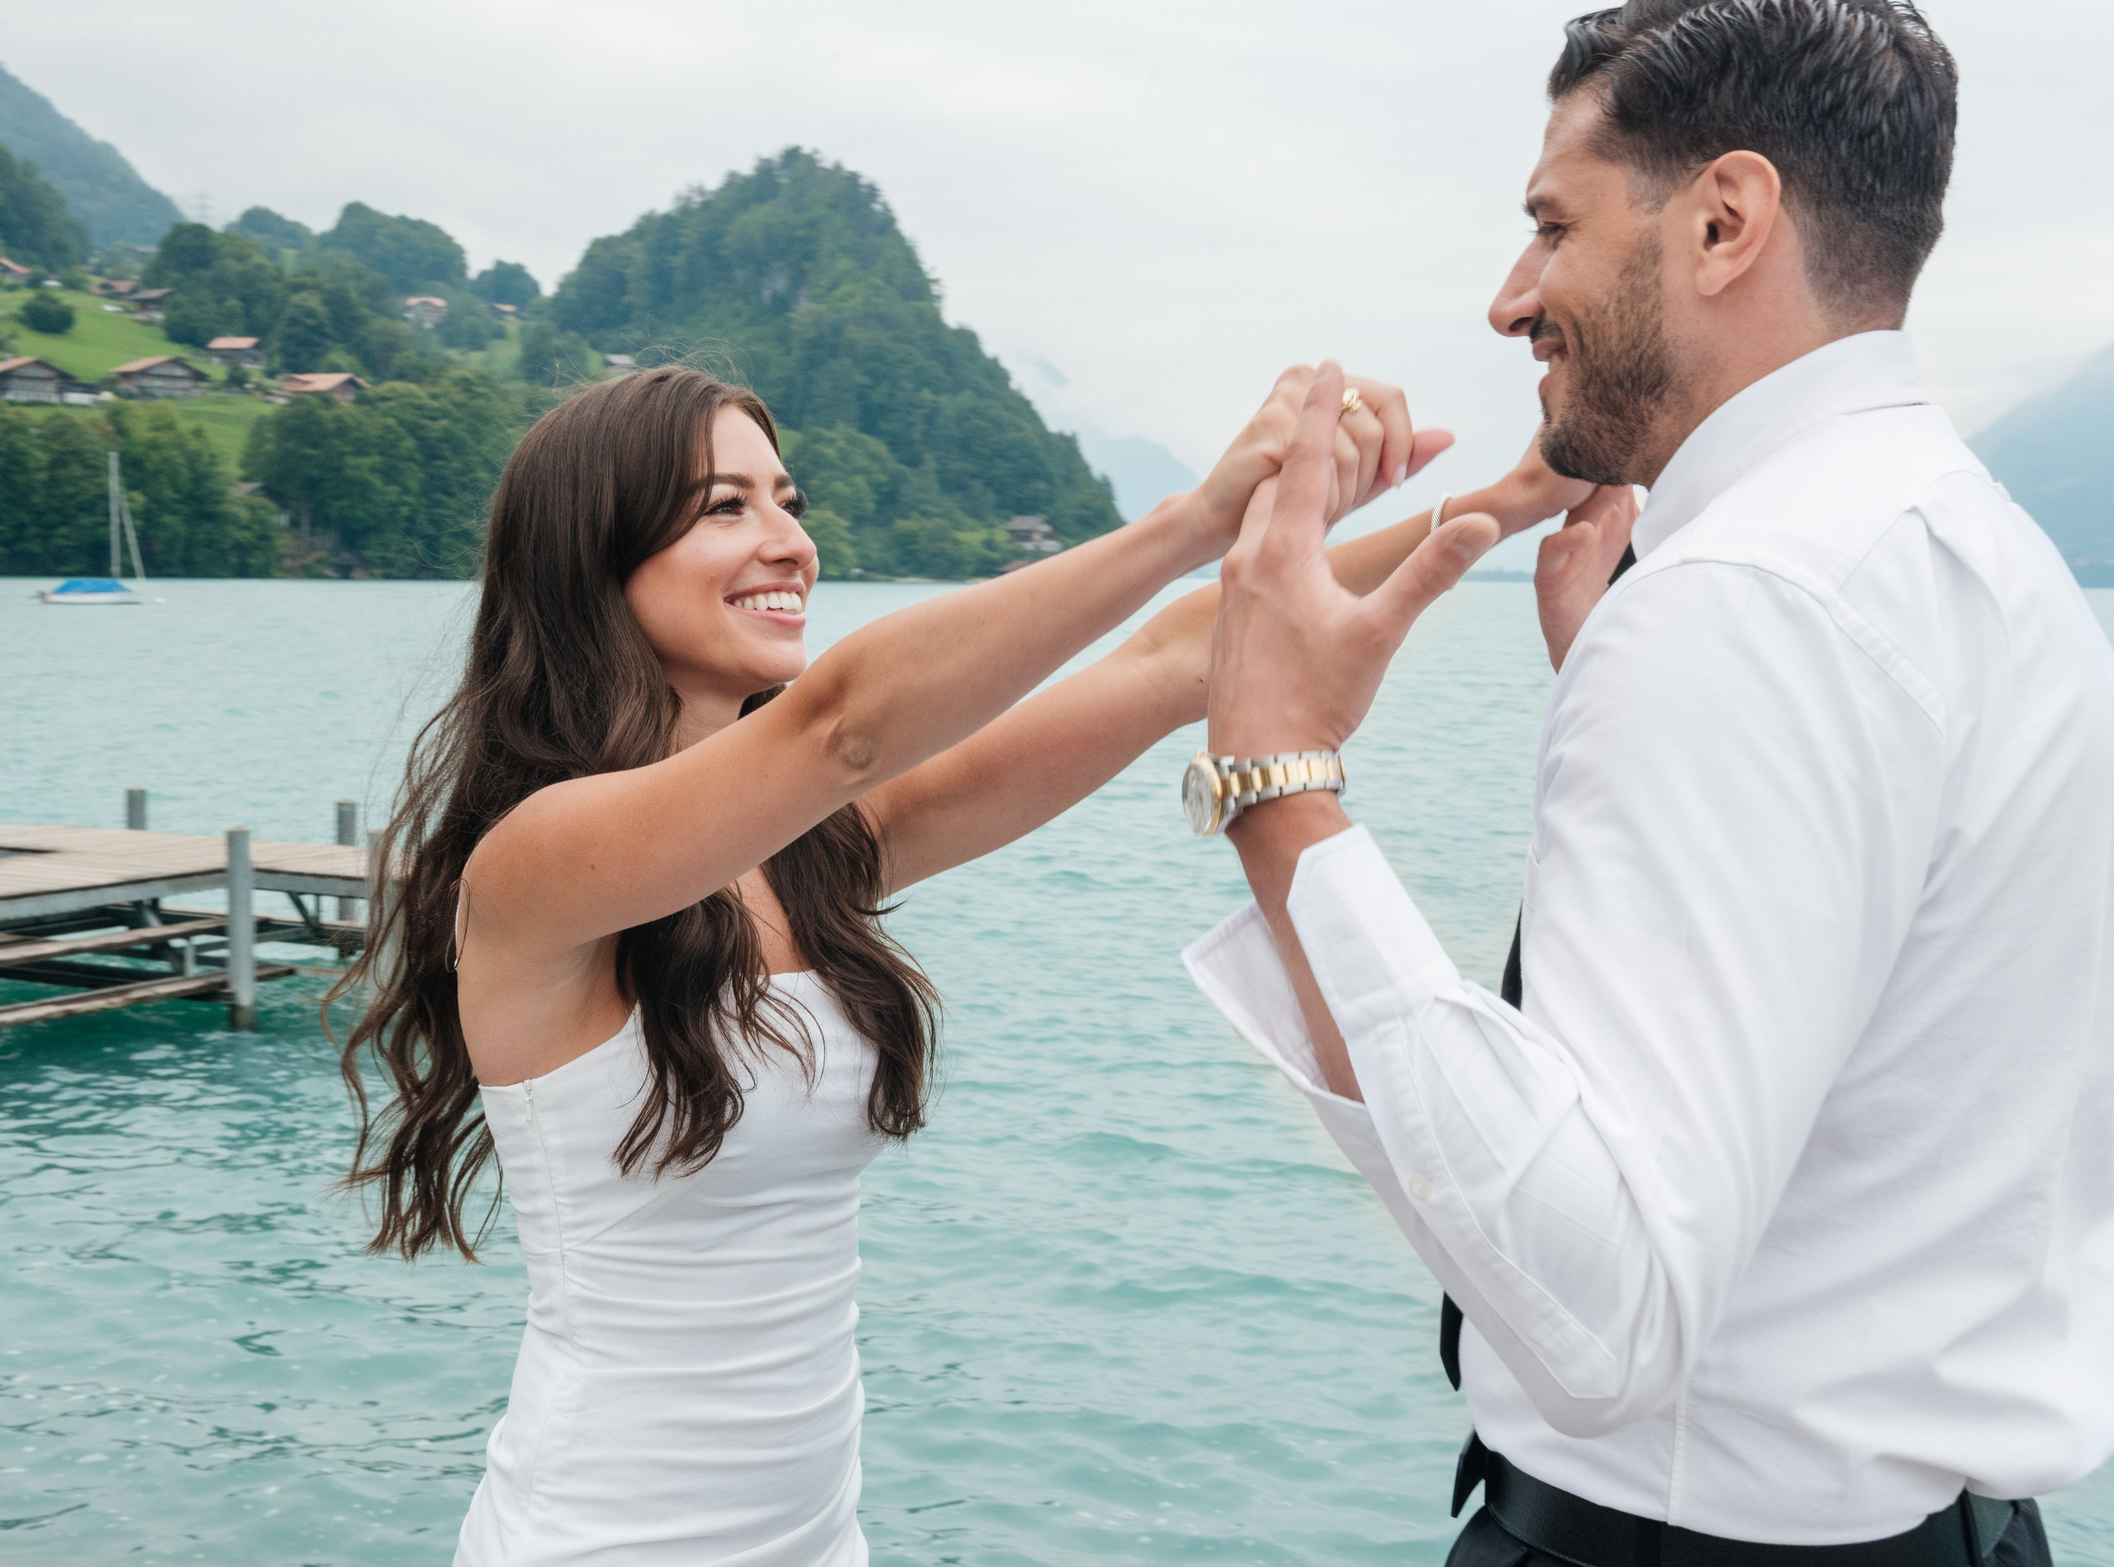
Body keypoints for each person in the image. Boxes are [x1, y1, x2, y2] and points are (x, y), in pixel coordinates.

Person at [331, 360, 1575, 1565]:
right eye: (726, 507)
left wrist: (1510, 503)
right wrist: (1192, 519)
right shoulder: (536, 869)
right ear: (591, 559)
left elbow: (1164, 662)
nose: (787, 540)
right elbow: (844, 723)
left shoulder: (815, 853)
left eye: (788, 501)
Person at [1183, 0, 2114, 1565]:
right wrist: (1627, 703)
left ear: (1722, 223)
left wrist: (1280, 777)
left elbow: (1604, 1316)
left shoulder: (1739, 604)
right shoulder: (1986, 561)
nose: (1509, 297)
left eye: (1555, 223)